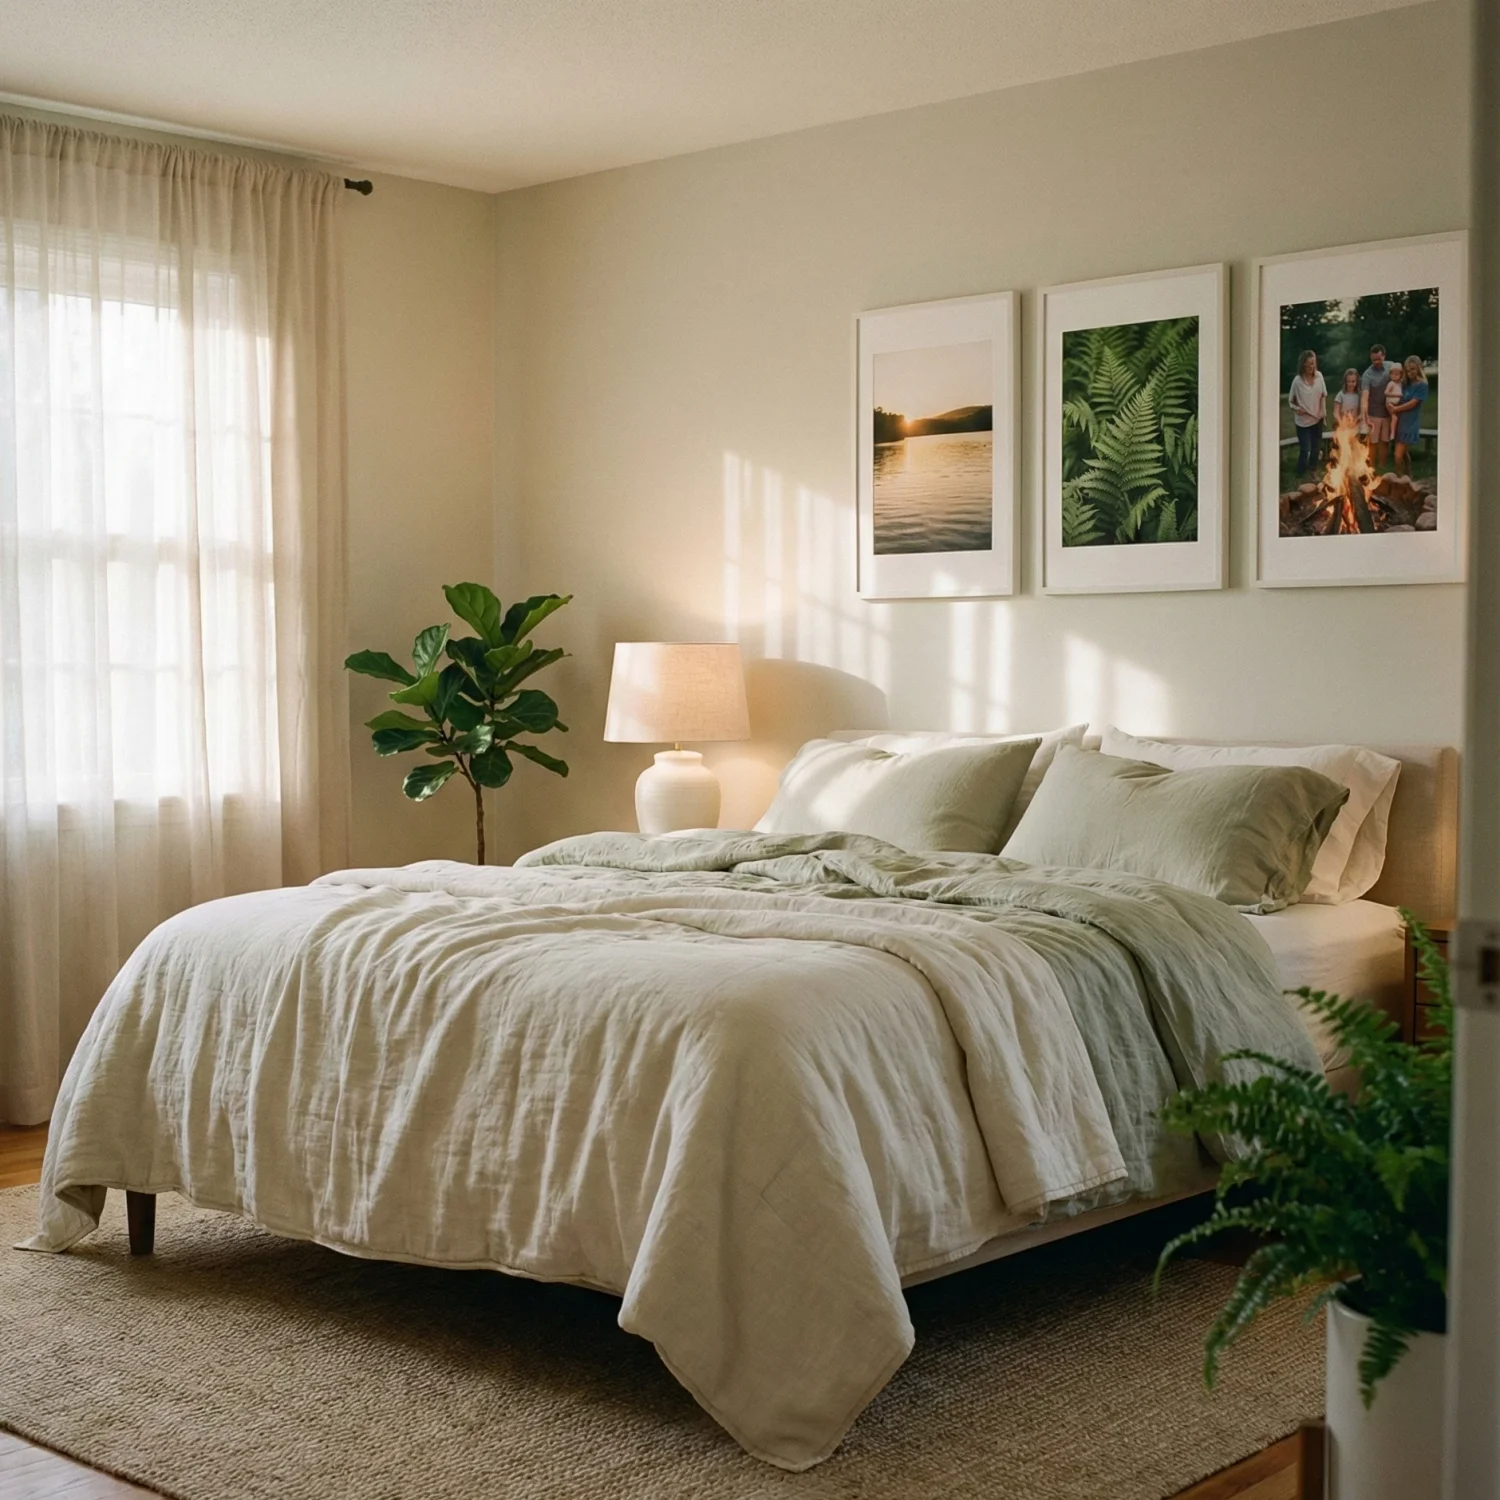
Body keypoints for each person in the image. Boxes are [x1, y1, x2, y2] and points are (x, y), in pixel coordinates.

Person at [1288, 349, 1326, 478]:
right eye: (1309, 364)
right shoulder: (1297, 381)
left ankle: (1313, 471)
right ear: (1303, 364)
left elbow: (1323, 396)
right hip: (1303, 422)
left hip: (1317, 420)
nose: (1312, 366)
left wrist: (1323, 413)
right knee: (1306, 449)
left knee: (1316, 448)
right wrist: (1296, 409)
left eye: (1313, 363)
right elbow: (1290, 401)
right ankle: (1299, 472)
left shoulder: (1319, 376)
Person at [1391, 355, 1430, 476]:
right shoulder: (1405, 384)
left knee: (1397, 456)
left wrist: (1396, 408)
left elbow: (1412, 404)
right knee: (1403, 452)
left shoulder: (1422, 386)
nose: (1410, 372)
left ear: (1419, 368)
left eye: (1413, 369)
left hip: (1410, 422)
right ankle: (1409, 475)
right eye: (1408, 370)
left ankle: (1399, 479)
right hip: (1400, 422)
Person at [1360, 344, 1393, 471]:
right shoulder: (1367, 375)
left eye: (1379, 359)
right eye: (1374, 360)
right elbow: (1364, 397)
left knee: (1385, 440)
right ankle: (1371, 466)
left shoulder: (1391, 366)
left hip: (1388, 412)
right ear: (1371, 358)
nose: (1376, 362)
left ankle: (1383, 465)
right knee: (1373, 442)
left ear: (1384, 356)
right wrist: (1365, 416)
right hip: (1374, 413)